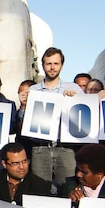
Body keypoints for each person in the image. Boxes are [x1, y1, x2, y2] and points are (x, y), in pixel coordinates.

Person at [27, 48, 81, 187]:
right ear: (43, 65)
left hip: (65, 148)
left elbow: (83, 119)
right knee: (40, 190)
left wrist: (76, 100)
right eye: (48, 63)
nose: (52, 67)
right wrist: (22, 107)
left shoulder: (74, 89)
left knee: (68, 189)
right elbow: (23, 122)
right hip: (40, 148)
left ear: (62, 65)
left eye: (56, 63)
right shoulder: (33, 91)